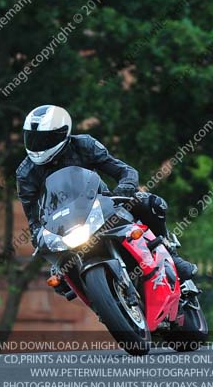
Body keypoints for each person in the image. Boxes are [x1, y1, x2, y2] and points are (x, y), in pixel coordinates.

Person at [15, 104, 198, 287]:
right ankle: (104, 306)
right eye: (32, 138)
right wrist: (40, 238)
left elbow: (125, 171)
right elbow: (34, 219)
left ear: (63, 133)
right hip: (64, 227)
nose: (37, 145)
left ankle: (172, 256)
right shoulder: (25, 173)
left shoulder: (84, 145)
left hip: (99, 207)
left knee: (148, 202)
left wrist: (125, 188)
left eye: (44, 139)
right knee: (61, 281)